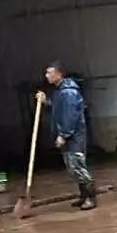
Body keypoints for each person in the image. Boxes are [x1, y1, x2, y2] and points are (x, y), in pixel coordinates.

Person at [45, 61, 96, 211]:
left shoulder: (68, 92)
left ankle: (90, 197)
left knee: (78, 166)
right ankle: (83, 195)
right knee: (73, 167)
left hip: (74, 136)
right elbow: (57, 108)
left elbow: (70, 115)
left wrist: (63, 135)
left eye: (50, 72)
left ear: (59, 74)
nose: (47, 76)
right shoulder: (60, 91)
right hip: (69, 136)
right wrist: (45, 102)